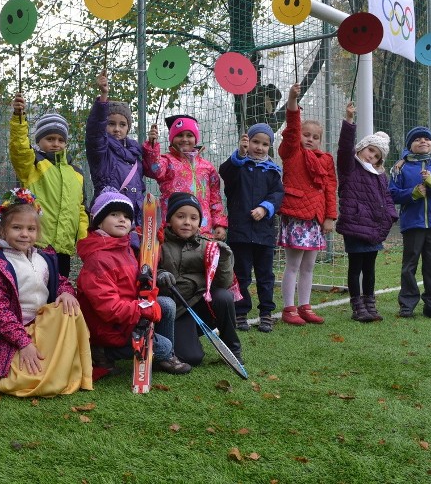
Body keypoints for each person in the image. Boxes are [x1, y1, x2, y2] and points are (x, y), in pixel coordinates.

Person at [0, 188, 92, 396]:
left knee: (69, 309)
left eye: (31, 229)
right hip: (11, 336)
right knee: (24, 379)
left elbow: (60, 282)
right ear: (3, 230)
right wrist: (24, 343)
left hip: (42, 328)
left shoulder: (45, 258)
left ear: (37, 232)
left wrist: (66, 293)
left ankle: (68, 367)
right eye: (17, 227)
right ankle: (48, 368)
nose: (24, 234)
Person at [76, 188, 191, 378]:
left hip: (128, 316)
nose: (122, 219)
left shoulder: (124, 247)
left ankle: (165, 358)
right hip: (109, 329)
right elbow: (108, 308)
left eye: (126, 216)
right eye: (114, 214)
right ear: (99, 221)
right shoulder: (98, 260)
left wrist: (155, 247)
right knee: (164, 346)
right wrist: (142, 309)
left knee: (167, 305)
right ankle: (102, 351)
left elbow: (142, 275)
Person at [156, 193, 243, 366]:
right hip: (175, 312)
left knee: (223, 297)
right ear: (170, 219)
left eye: (193, 218)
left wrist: (224, 260)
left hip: (199, 305)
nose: (187, 222)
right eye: (180, 216)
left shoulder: (207, 245)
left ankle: (233, 350)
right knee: (191, 358)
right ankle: (186, 336)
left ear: (199, 222)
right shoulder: (158, 243)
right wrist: (159, 274)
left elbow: (224, 284)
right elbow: (146, 270)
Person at [277, 83, 338, 325]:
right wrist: (293, 100)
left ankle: (305, 306)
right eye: (306, 135)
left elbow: (330, 189)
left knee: (309, 265)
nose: (310, 139)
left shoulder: (326, 159)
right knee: (293, 263)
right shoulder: (291, 151)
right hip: (296, 214)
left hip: (315, 218)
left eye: (315, 137)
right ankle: (288, 308)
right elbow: (292, 127)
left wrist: (330, 216)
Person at [9, 94, 88, 278]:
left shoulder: (76, 173)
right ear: (39, 141)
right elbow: (19, 149)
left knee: (58, 295)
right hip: (38, 244)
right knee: (35, 292)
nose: (56, 144)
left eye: (61, 140)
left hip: (64, 248)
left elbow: (81, 209)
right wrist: (19, 119)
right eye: (50, 139)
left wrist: (85, 243)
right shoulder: (33, 164)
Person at [335, 103, 397, 322]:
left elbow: (387, 199)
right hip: (354, 226)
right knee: (356, 268)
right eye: (370, 150)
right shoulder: (349, 167)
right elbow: (343, 149)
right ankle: (357, 306)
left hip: (374, 229)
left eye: (377, 155)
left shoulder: (380, 175)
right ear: (361, 148)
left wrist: (390, 218)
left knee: (370, 269)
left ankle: (370, 304)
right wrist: (349, 121)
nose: (372, 156)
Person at [219, 124, 284, 333]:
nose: (259, 147)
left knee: (265, 276)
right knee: (242, 275)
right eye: (256, 142)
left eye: (265, 144)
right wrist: (239, 153)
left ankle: (266, 313)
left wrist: (265, 209)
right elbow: (226, 174)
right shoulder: (239, 167)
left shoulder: (273, 172)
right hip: (240, 232)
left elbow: (277, 195)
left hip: (264, 233)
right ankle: (240, 312)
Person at [389, 126, 431, 319]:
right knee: (409, 265)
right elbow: (392, 194)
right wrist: (413, 194)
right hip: (412, 224)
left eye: (426, 139)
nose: (423, 142)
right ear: (410, 145)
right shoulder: (399, 167)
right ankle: (407, 304)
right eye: (417, 139)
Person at [144, 114, 228, 240]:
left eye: (189, 135)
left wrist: (219, 225)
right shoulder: (167, 161)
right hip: (173, 229)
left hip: (202, 230)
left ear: (196, 139)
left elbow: (215, 200)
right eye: (179, 135)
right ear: (172, 139)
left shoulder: (208, 167)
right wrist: (152, 146)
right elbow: (155, 169)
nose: (184, 139)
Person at [86, 71, 145, 231]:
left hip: (132, 223)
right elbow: (95, 132)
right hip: (108, 219)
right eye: (111, 123)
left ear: (128, 127)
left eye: (122, 124)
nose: (117, 129)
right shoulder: (100, 151)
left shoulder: (136, 155)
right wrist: (103, 97)